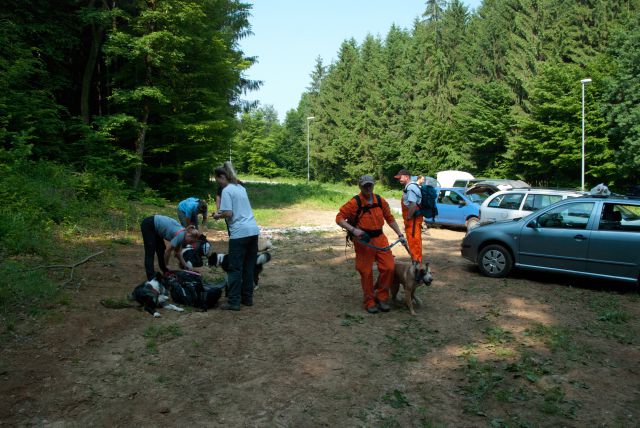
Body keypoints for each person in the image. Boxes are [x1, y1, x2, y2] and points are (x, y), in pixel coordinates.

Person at [336, 175, 405, 314]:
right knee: (366, 272)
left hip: (380, 238)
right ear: (360, 186)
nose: (368, 188)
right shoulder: (354, 203)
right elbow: (339, 218)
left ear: (373, 185)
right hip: (363, 241)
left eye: (370, 185)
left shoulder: (380, 200)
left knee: (389, 267)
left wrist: (400, 234)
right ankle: (369, 301)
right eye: (365, 185)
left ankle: (382, 297)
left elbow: (390, 219)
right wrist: (354, 230)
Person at [212, 165, 260, 311]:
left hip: (239, 234)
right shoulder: (241, 188)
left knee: (234, 268)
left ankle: (233, 302)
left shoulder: (227, 190)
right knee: (248, 267)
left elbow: (228, 213)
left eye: (217, 180)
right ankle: (248, 298)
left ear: (222, 177)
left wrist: (217, 216)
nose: (218, 183)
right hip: (253, 231)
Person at [140, 215, 200, 280]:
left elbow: (177, 253)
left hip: (155, 227)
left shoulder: (183, 234)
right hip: (149, 224)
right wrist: (167, 264)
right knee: (150, 251)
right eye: (191, 241)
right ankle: (151, 277)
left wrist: (185, 265)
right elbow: (168, 251)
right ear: (188, 235)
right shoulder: (181, 235)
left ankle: (165, 271)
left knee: (161, 248)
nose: (189, 243)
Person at [395, 168, 423, 264]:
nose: (399, 179)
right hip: (413, 221)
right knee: (413, 243)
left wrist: (408, 218)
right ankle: (415, 263)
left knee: (415, 243)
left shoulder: (411, 188)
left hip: (413, 221)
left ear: (406, 177)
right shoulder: (411, 187)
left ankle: (417, 265)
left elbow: (413, 205)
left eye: (400, 177)